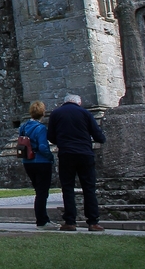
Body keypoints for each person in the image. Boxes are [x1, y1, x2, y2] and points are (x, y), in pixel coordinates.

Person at [47, 94, 106, 231]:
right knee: (89, 188)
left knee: (68, 188)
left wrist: (62, 142)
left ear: (65, 102)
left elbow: (50, 135)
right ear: (78, 102)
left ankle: (70, 221)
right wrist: (101, 139)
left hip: (66, 153)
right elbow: (97, 134)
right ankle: (93, 222)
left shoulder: (56, 113)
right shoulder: (85, 113)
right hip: (85, 153)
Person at [19, 100, 55, 229]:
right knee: (42, 192)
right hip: (41, 162)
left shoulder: (23, 127)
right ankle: (42, 221)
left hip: (27, 161)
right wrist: (51, 157)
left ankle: (42, 219)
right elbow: (43, 147)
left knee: (38, 191)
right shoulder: (40, 128)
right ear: (42, 113)